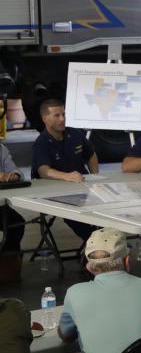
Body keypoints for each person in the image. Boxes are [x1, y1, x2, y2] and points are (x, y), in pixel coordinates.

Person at [31, 99, 99, 262]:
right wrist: (66, 176)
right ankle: (94, 250)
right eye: (57, 115)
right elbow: (43, 170)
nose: (62, 119)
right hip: (58, 194)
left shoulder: (75, 134)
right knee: (77, 217)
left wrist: (95, 176)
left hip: (84, 187)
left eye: (64, 114)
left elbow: (91, 155)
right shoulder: (41, 143)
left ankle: (99, 247)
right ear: (45, 119)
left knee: (107, 210)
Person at [0, 143, 25, 282]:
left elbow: (15, 170)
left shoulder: (1, 148)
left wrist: (14, 175)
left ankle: (6, 263)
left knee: (17, 223)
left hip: (0, 204)